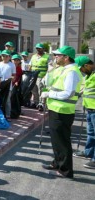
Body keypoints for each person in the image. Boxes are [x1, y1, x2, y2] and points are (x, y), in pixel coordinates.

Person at [40, 46, 82, 178]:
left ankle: (65, 170)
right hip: (56, 109)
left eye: (58, 55)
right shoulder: (62, 69)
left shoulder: (72, 72)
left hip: (63, 111)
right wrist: (50, 70)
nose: (55, 57)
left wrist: (49, 94)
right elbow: (47, 82)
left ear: (66, 57)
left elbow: (68, 93)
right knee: (56, 140)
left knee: (62, 141)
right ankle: (57, 163)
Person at [73, 56, 95, 169]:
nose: (81, 71)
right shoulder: (89, 75)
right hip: (90, 109)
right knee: (91, 133)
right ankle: (89, 152)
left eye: (81, 69)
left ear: (87, 65)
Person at [30, 43, 50, 111]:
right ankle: (36, 103)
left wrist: (46, 77)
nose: (38, 49)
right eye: (37, 48)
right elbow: (30, 66)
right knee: (34, 90)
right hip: (33, 76)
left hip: (42, 77)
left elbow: (50, 68)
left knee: (41, 91)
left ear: (43, 49)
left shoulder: (47, 57)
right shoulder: (33, 56)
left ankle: (42, 104)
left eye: (39, 48)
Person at [0, 50, 16, 120]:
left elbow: (14, 75)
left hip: (8, 86)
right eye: (3, 56)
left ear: (9, 57)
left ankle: (8, 115)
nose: (4, 57)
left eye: (6, 56)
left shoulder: (12, 65)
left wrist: (12, 79)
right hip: (0, 85)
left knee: (7, 100)